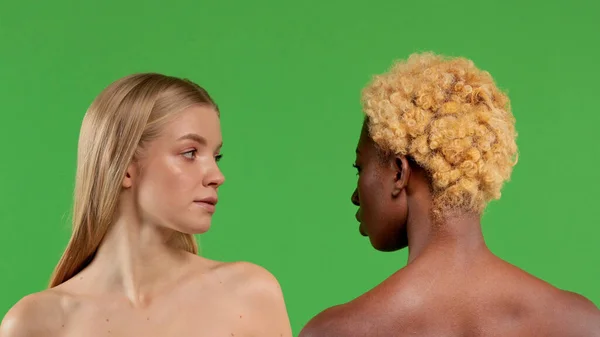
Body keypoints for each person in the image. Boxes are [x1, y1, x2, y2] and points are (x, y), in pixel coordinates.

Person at [299, 52, 600, 337]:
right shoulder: (580, 322)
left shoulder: (335, 331)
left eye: (359, 167)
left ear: (398, 173)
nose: (355, 195)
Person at [0, 73, 293, 337]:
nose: (217, 176)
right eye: (190, 153)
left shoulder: (250, 295)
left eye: (215, 157)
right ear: (125, 166)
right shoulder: (34, 323)